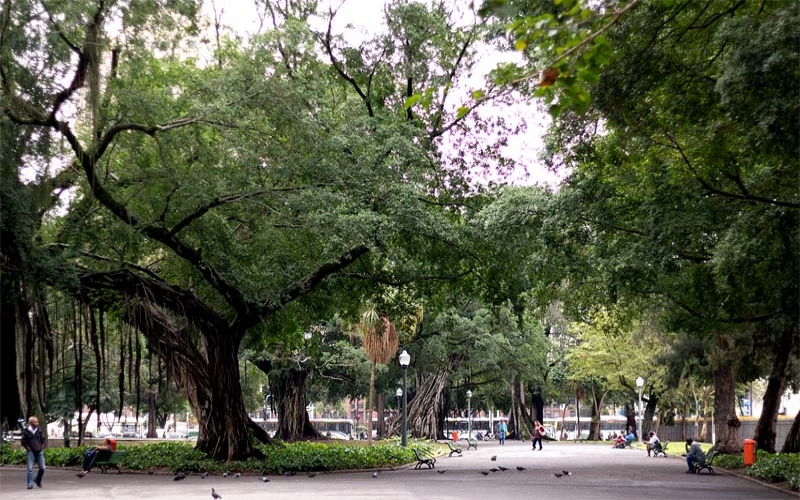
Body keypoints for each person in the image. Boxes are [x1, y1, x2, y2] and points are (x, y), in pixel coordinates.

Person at [21, 416, 46, 489]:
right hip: (31, 451)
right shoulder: (26, 431)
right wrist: (28, 448)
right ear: (31, 423)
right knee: (30, 469)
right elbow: (23, 441)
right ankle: (30, 484)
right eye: (35, 422)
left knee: (42, 468)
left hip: (39, 451)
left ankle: (38, 480)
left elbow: (43, 439)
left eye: (37, 422)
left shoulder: (39, 430)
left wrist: (42, 446)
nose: (37, 423)